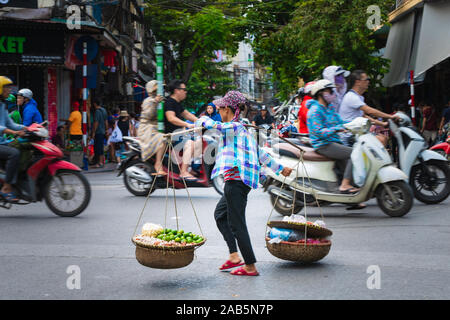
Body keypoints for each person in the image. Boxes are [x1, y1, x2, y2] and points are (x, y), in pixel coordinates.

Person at [195, 90, 292, 276]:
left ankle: (250, 265)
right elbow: (259, 153)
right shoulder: (241, 130)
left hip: (237, 181)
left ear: (228, 109)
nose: (219, 112)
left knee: (237, 224)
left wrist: (201, 120)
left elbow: (213, 125)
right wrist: (281, 168)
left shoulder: (235, 127)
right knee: (220, 215)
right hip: (236, 182)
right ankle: (233, 256)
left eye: (220, 109)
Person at [307, 79, 361, 196]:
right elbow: (318, 132)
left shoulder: (329, 107)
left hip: (334, 142)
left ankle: (351, 198)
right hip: (323, 145)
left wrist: (356, 124)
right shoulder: (315, 111)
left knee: (348, 160)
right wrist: (336, 129)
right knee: (354, 153)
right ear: (321, 93)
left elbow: (340, 121)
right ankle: (345, 185)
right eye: (330, 91)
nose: (332, 93)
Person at [339, 70, 397, 146]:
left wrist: (382, 123)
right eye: (366, 79)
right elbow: (370, 111)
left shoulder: (359, 97)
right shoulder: (351, 96)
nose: (368, 82)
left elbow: (364, 116)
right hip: (350, 135)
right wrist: (391, 116)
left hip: (357, 132)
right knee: (381, 140)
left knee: (384, 138)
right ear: (358, 82)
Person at [0, 76, 28, 203]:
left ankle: (17, 183)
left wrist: (28, 128)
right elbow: (3, 127)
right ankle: (6, 188)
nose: (10, 90)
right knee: (14, 153)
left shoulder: (3, 106)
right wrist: (14, 132)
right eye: (7, 88)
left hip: (2, 141)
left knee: (22, 147)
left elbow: (10, 124)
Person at [164, 79, 199, 180]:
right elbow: (171, 118)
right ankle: (183, 172)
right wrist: (187, 125)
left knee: (199, 142)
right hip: (170, 136)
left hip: (178, 135)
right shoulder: (169, 102)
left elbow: (187, 114)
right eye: (184, 89)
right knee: (190, 144)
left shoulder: (177, 103)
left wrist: (202, 121)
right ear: (176, 90)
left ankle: (192, 169)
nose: (185, 92)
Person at [138, 80, 166, 176]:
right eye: (157, 89)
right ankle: (158, 163)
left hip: (156, 127)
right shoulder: (148, 101)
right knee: (163, 138)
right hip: (147, 129)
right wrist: (155, 102)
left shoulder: (160, 100)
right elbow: (149, 115)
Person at [91, 99, 108, 168]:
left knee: (98, 147)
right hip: (103, 131)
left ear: (95, 104)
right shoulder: (104, 110)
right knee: (100, 147)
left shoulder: (97, 111)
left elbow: (96, 122)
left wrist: (93, 132)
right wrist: (106, 130)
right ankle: (101, 162)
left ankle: (100, 162)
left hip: (98, 132)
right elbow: (106, 121)